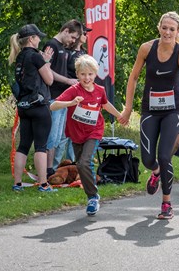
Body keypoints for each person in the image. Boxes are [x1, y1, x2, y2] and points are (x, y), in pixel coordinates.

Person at [121, 11, 179, 220]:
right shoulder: (147, 48)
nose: (167, 32)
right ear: (159, 27)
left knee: (165, 156)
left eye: (172, 29)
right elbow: (134, 78)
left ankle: (166, 203)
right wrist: (128, 108)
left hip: (173, 110)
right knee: (148, 159)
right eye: (164, 27)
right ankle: (156, 172)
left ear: (178, 32)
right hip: (150, 109)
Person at [50, 55, 127, 215]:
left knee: (85, 163)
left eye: (90, 74)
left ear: (95, 74)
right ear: (77, 74)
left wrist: (119, 116)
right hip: (76, 134)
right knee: (80, 165)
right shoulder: (74, 90)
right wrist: (70, 103)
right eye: (83, 74)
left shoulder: (100, 91)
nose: (87, 77)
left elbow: (105, 104)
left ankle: (93, 197)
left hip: (94, 131)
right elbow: (54, 106)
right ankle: (92, 194)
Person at [9, 24, 56, 193]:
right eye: (37, 37)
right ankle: (43, 184)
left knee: (24, 145)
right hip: (39, 106)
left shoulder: (19, 56)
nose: (39, 39)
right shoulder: (36, 57)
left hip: (23, 106)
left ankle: (18, 183)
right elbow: (49, 80)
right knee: (41, 146)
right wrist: (47, 61)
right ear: (31, 39)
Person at [43, 19, 83, 176]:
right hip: (53, 97)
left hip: (64, 97)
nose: (73, 41)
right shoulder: (51, 45)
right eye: (72, 37)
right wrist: (67, 80)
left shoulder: (64, 48)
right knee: (52, 136)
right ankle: (47, 170)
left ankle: (52, 169)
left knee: (59, 136)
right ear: (65, 30)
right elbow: (47, 70)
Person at [55, 23, 93, 169]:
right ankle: (56, 166)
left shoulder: (84, 54)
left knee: (77, 132)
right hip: (68, 95)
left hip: (82, 97)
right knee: (64, 133)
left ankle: (74, 165)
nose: (86, 36)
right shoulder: (66, 52)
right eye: (84, 33)